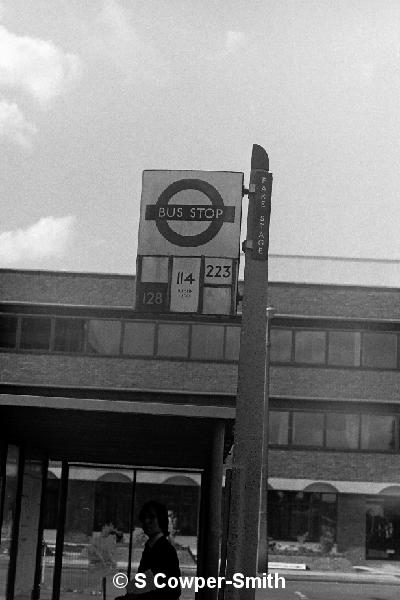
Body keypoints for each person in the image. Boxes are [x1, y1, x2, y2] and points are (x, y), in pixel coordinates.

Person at [116, 501, 181, 600]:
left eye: (151, 518)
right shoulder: (150, 546)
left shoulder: (165, 550)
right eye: (144, 518)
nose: (146, 521)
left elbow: (166, 586)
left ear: (161, 519)